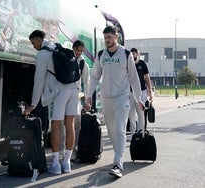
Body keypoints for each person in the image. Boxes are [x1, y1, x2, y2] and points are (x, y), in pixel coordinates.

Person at [85, 26, 144, 178]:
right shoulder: (101, 55)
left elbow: (134, 78)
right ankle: (118, 158)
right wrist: (88, 95)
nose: (107, 41)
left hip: (122, 97)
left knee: (119, 129)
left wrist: (138, 98)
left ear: (116, 37)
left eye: (109, 38)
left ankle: (118, 163)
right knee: (111, 131)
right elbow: (95, 76)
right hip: (106, 98)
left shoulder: (125, 54)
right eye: (105, 38)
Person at [25, 30, 79, 175]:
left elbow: (39, 80)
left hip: (58, 92)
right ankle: (66, 162)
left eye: (33, 43)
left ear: (38, 39)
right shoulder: (57, 46)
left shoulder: (42, 55)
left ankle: (55, 164)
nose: (33, 46)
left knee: (55, 125)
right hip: (73, 89)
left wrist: (33, 103)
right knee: (70, 125)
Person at [59, 40, 89, 161]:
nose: (79, 53)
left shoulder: (83, 64)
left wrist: (87, 100)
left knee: (75, 125)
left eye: (81, 51)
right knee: (61, 124)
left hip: (76, 97)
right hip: (63, 95)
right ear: (73, 48)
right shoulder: (65, 58)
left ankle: (72, 150)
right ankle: (61, 150)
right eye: (78, 50)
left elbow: (86, 83)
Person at [127, 48, 153, 141]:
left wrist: (150, 92)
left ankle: (140, 131)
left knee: (141, 113)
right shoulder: (129, 64)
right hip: (130, 91)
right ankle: (133, 132)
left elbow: (147, 78)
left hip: (142, 91)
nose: (133, 55)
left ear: (138, 54)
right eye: (132, 53)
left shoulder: (142, 64)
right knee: (131, 113)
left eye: (135, 53)